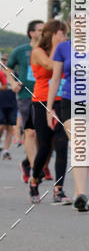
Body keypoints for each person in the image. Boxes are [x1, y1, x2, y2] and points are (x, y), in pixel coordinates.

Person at [47, 29, 89, 211]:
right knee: (79, 142)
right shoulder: (63, 48)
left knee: (87, 148)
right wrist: (49, 107)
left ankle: (78, 194)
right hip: (70, 101)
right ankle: (82, 194)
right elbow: (56, 78)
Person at [29, 21, 69, 203]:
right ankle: (34, 180)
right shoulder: (38, 52)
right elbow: (50, 66)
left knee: (62, 145)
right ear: (53, 34)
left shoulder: (65, 50)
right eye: (62, 34)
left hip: (63, 101)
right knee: (44, 147)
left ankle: (58, 189)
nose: (65, 38)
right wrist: (56, 46)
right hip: (42, 102)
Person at [6, 20, 43, 182]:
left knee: (43, 135)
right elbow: (8, 68)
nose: (43, 33)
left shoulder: (48, 50)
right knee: (30, 131)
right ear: (31, 33)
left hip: (45, 95)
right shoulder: (21, 51)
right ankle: (35, 169)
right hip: (26, 95)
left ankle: (27, 163)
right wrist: (13, 83)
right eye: (40, 30)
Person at [0, 65, 17, 159]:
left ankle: (6, 151)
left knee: (10, 127)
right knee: (1, 126)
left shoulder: (15, 74)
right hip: (1, 103)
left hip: (12, 103)